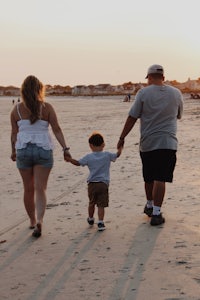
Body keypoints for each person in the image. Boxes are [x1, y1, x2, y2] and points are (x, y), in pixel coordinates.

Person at [117, 64, 183, 226]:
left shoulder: (143, 93)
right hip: (168, 142)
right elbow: (179, 115)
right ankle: (156, 213)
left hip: (148, 143)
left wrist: (122, 137)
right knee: (161, 178)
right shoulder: (176, 93)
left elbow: (132, 117)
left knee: (149, 177)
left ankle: (150, 205)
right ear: (163, 78)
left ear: (149, 77)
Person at [10, 75, 71, 238]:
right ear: (40, 90)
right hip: (43, 149)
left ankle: (31, 220)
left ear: (23, 91)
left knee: (28, 188)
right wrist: (65, 148)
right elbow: (57, 129)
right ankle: (40, 220)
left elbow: (14, 134)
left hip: (23, 150)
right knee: (40, 188)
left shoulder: (16, 110)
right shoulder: (47, 107)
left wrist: (13, 151)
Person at [66, 132, 122, 231]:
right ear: (103, 144)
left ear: (90, 145)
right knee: (101, 205)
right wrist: (120, 148)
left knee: (91, 203)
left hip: (92, 184)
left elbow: (78, 163)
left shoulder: (89, 157)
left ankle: (91, 218)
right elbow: (117, 155)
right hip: (103, 184)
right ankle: (100, 222)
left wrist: (69, 159)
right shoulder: (107, 155)